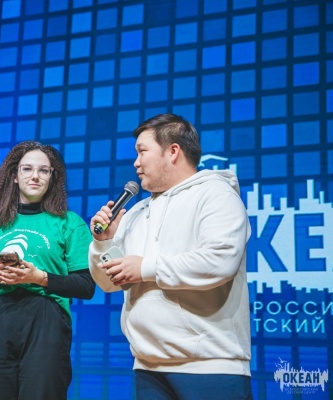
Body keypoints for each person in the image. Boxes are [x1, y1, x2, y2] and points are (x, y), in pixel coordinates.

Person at [89, 114, 252, 399]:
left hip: (211, 365)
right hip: (147, 365)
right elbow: (110, 282)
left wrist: (145, 268)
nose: (136, 163)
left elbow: (220, 261)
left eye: (142, 151)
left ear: (173, 151)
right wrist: (104, 244)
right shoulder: (136, 212)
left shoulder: (216, 195)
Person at [0, 141, 96, 400]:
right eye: (27, 169)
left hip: (47, 319)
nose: (35, 176)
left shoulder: (70, 223)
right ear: (14, 176)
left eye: (43, 170)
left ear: (53, 177)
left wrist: (39, 278)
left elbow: (86, 285)